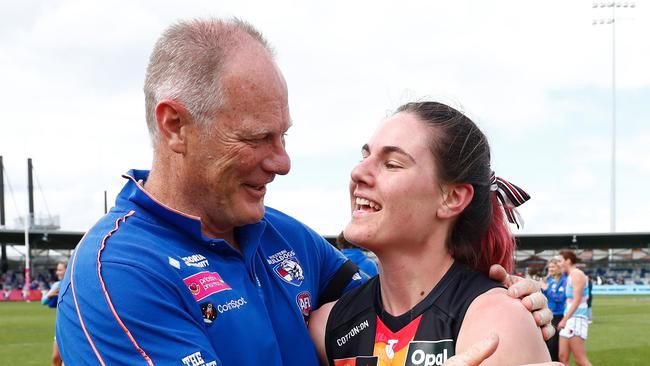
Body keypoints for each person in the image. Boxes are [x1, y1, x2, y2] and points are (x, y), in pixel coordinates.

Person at [55, 18, 550, 365]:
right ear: (175, 126)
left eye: (284, 136)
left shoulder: (283, 237)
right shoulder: (118, 272)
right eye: (257, 138)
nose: (283, 163)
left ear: (453, 197)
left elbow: (396, 315)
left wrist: (513, 310)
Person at [309, 101, 556, 365]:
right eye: (364, 157)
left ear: (452, 198)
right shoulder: (327, 327)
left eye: (391, 164)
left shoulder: (497, 322)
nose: (358, 172)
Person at [557, 250, 592, 366]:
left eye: (560, 261)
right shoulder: (570, 276)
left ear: (568, 261)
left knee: (580, 360)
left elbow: (577, 300)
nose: (559, 263)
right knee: (563, 357)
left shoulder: (577, 274)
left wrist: (564, 319)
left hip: (576, 318)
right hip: (570, 319)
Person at [541, 257, 567, 361]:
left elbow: (560, 298)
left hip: (558, 316)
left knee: (554, 346)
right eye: (549, 267)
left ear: (559, 268)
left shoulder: (565, 281)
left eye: (553, 267)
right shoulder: (549, 281)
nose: (551, 269)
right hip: (548, 316)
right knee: (547, 345)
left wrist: (546, 289)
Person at [42, 261, 67, 366]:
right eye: (57, 270)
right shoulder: (57, 285)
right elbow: (44, 302)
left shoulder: (75, 283)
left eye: (60, 269)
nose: (58, 272)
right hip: (60, 326)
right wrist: (50, 295)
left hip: (74, 325)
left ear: (67, 269)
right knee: (56, 358)